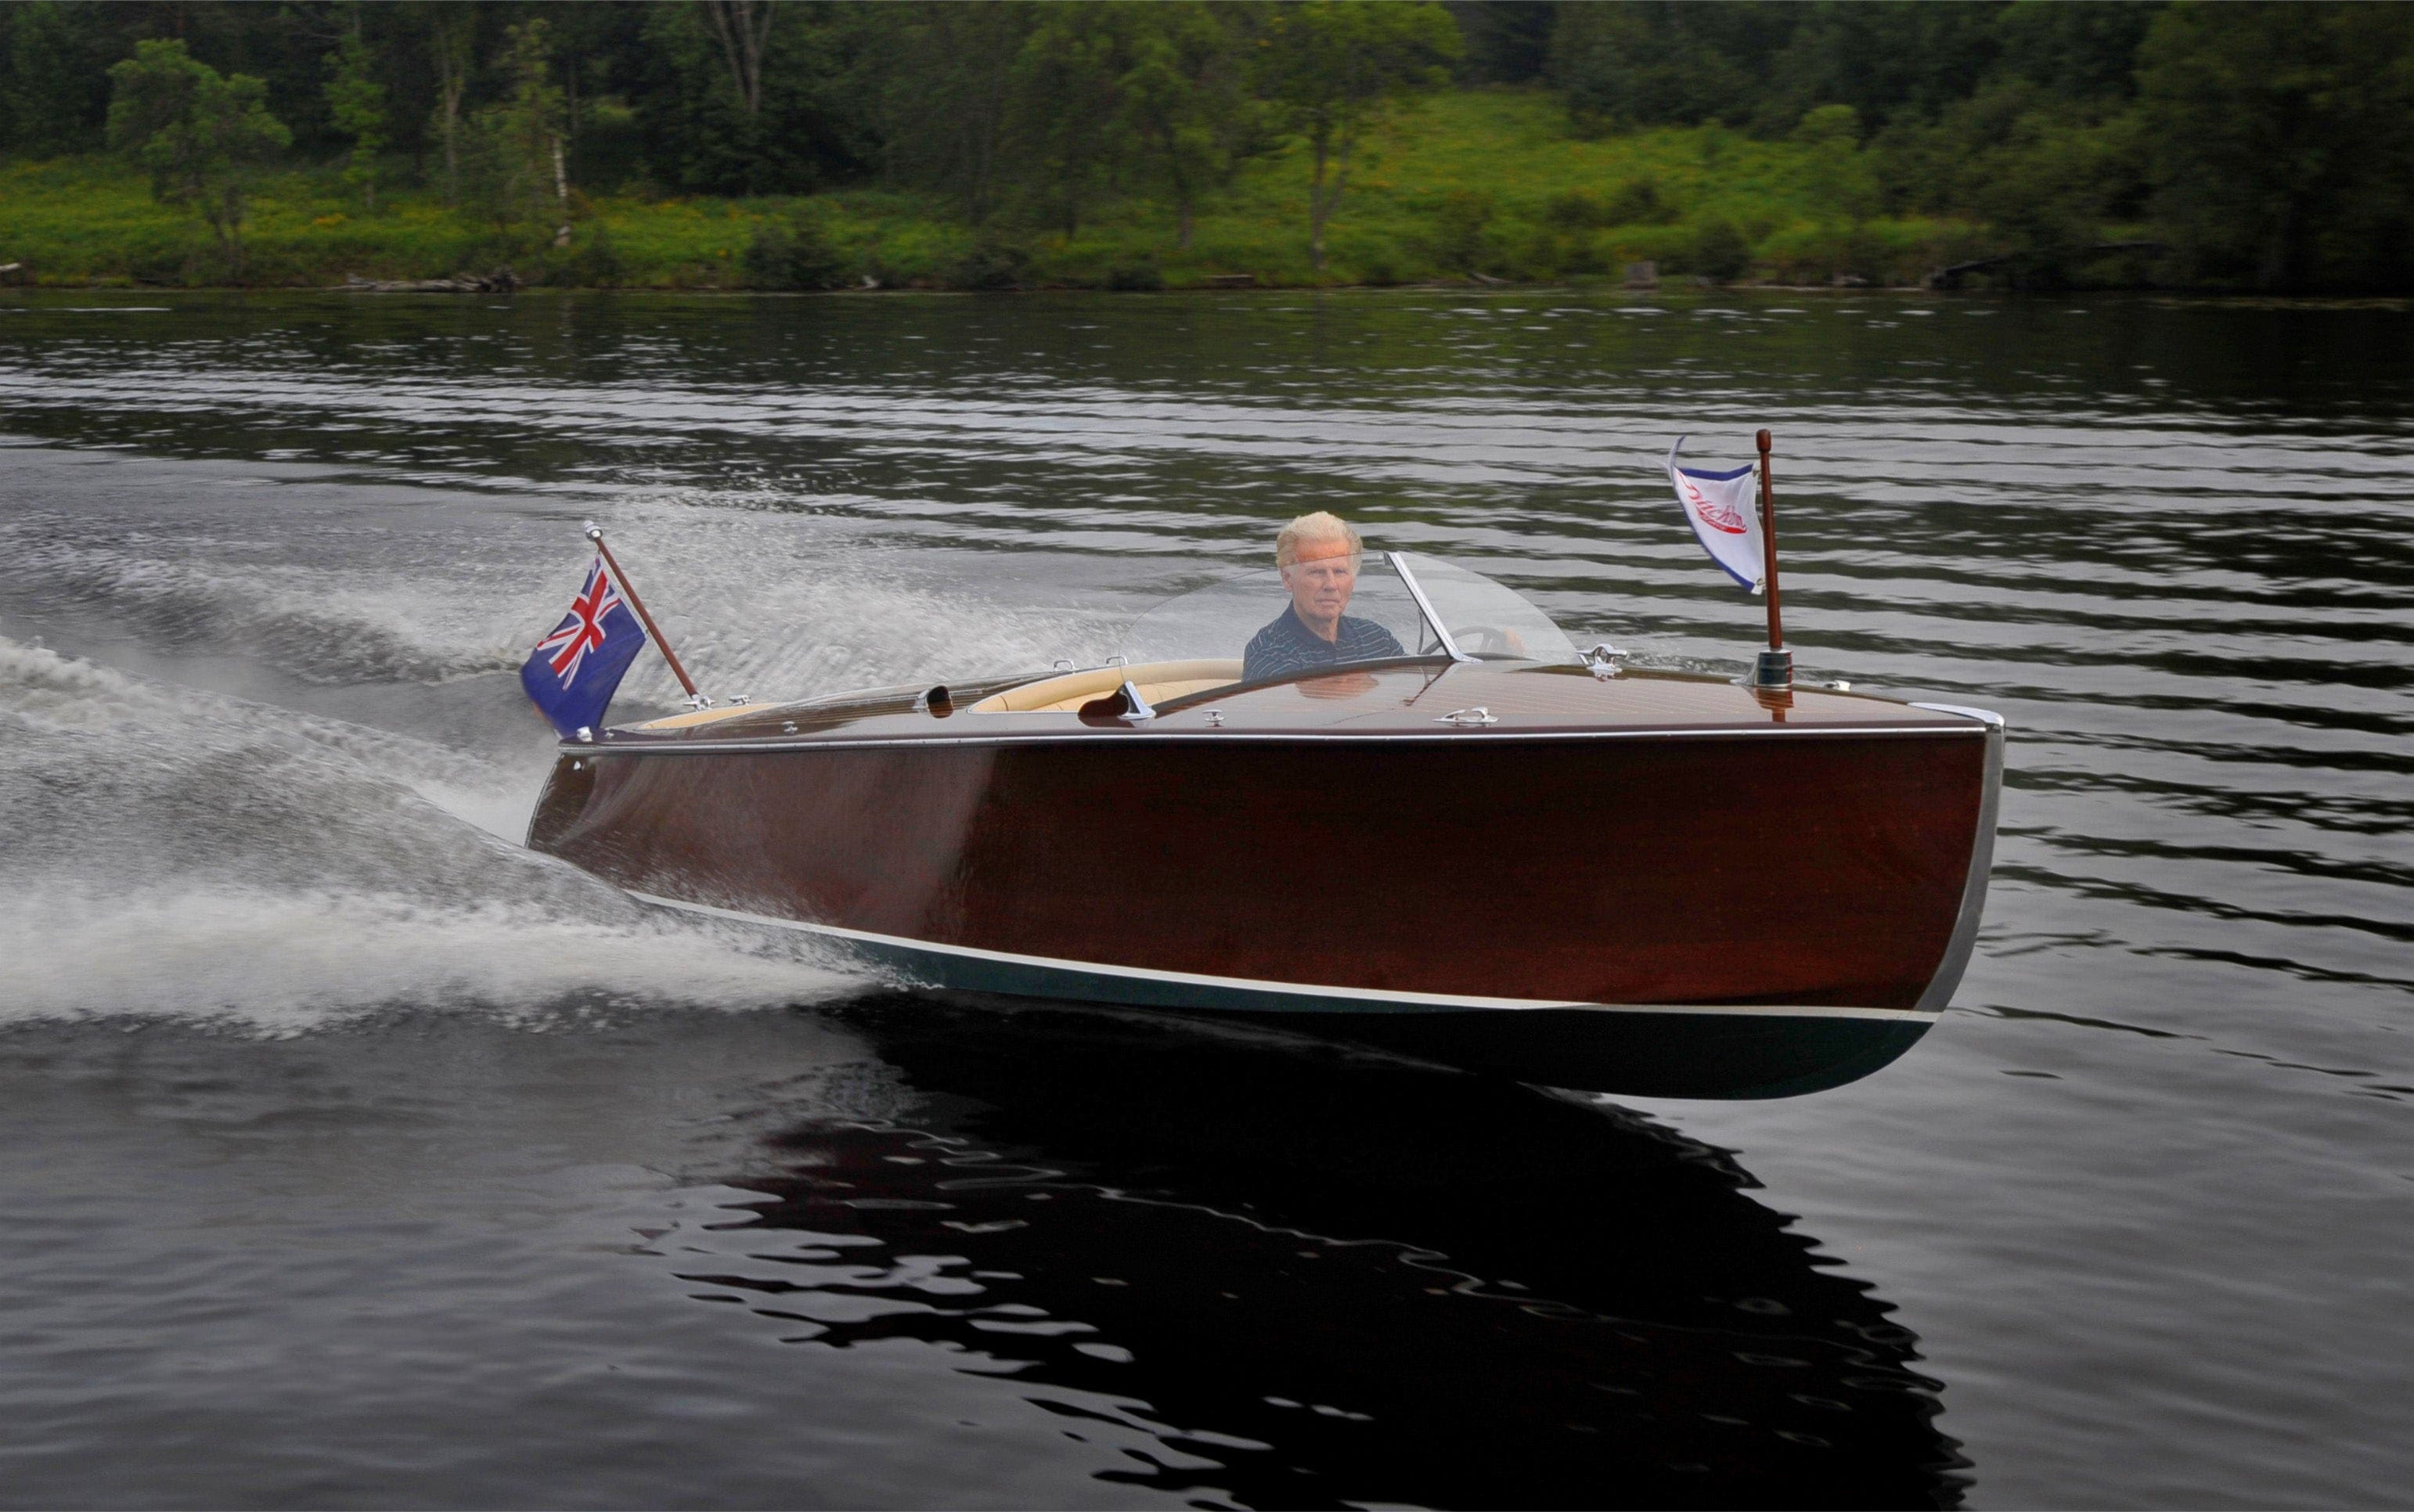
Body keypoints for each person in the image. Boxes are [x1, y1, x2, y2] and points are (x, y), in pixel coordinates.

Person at [1241, 512, 1406, 682]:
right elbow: (1303, 706)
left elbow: (1415, 694)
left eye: (1340, 572)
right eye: (1317, 572)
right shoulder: (1268, 651)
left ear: (1354, 580)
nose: (1331, 585)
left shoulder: (1377, 638)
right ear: (1288, 579)